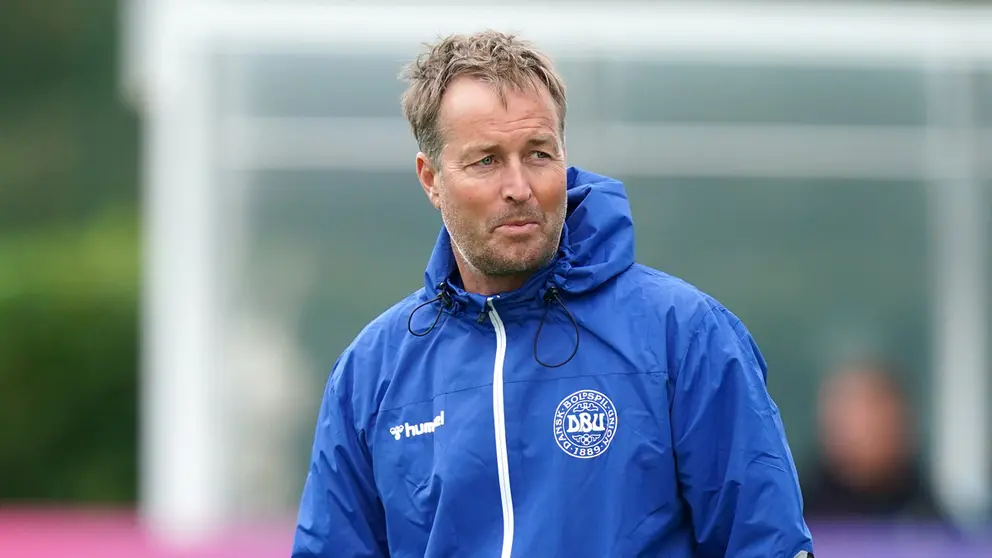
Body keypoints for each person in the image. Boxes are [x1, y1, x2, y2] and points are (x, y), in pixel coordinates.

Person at [291, 30, 814, 558]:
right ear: (431, 180)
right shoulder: (370, 372)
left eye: (539, 154)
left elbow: (765, 542)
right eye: (486, 160)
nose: (519, 186)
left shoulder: (685, 334)